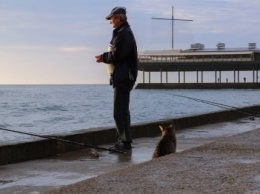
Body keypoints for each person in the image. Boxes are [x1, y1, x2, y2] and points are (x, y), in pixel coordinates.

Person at [95, 7, 138, 151]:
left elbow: (117, 55)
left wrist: (103, 57)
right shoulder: (123, 32)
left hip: (123, 77)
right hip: (122, 76)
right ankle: (125, 141)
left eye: (111, 19)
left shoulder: (124, 34)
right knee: (123, 110)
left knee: (119, 111)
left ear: (118, 18)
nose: (110, 22)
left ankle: (123, 142)